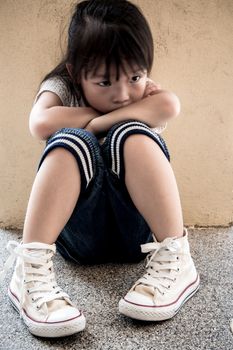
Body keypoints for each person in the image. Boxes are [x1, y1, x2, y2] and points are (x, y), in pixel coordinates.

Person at [0, 0, 200, 338]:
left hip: (137, 239)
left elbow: (170, 104)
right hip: (77, 239)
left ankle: (177, 257)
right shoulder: (63, 86)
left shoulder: (144, 91)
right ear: (75, 72)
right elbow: (40, 122)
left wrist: (105, 122)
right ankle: (29, 271)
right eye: (104, 83)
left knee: (131, 136)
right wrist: (93, 126)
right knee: (72, 141)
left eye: (135, 76)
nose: (123, 94)